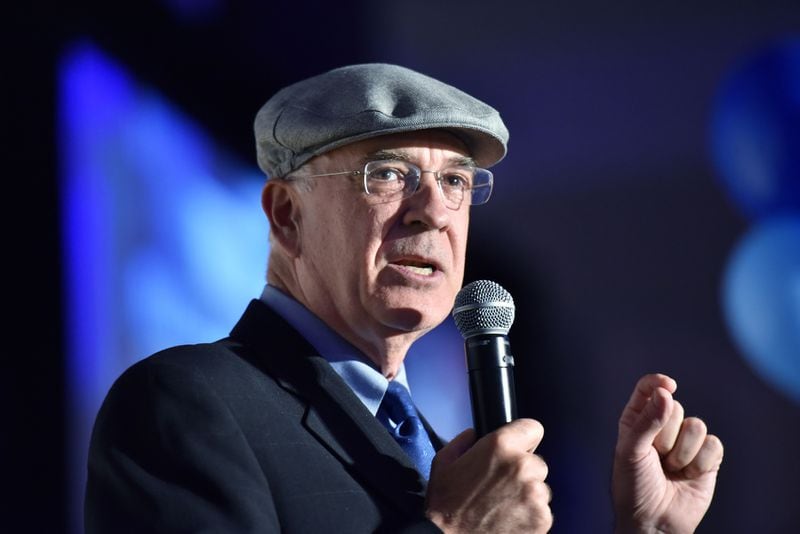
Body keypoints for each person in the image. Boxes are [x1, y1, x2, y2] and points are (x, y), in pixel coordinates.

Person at [85, 63, 724, 533]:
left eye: (455, 182)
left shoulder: (437, 450)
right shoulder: (184, 405)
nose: (433, 214)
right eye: (389, 174)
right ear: (286, 216)